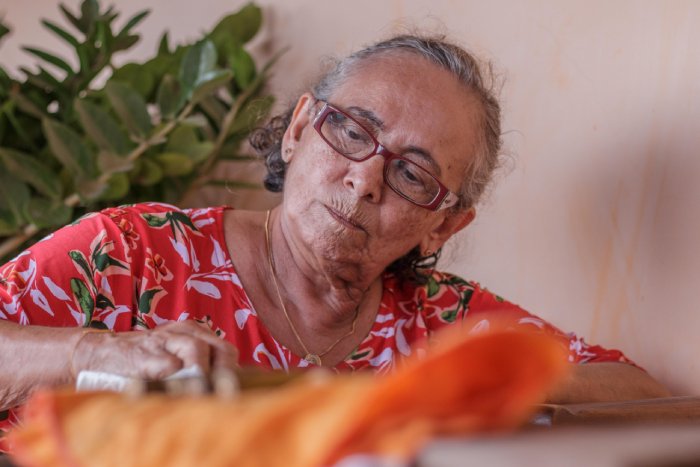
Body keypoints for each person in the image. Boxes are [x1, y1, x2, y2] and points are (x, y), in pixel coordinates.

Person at [0, 34, 668, 440]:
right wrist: (99, 352)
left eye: (412, 174)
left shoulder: (444, 320)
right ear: (297, 130)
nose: (365, 178)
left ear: (444, 224)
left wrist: (491, 379)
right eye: (351, 130)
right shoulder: (135, 250)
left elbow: (647, 395)